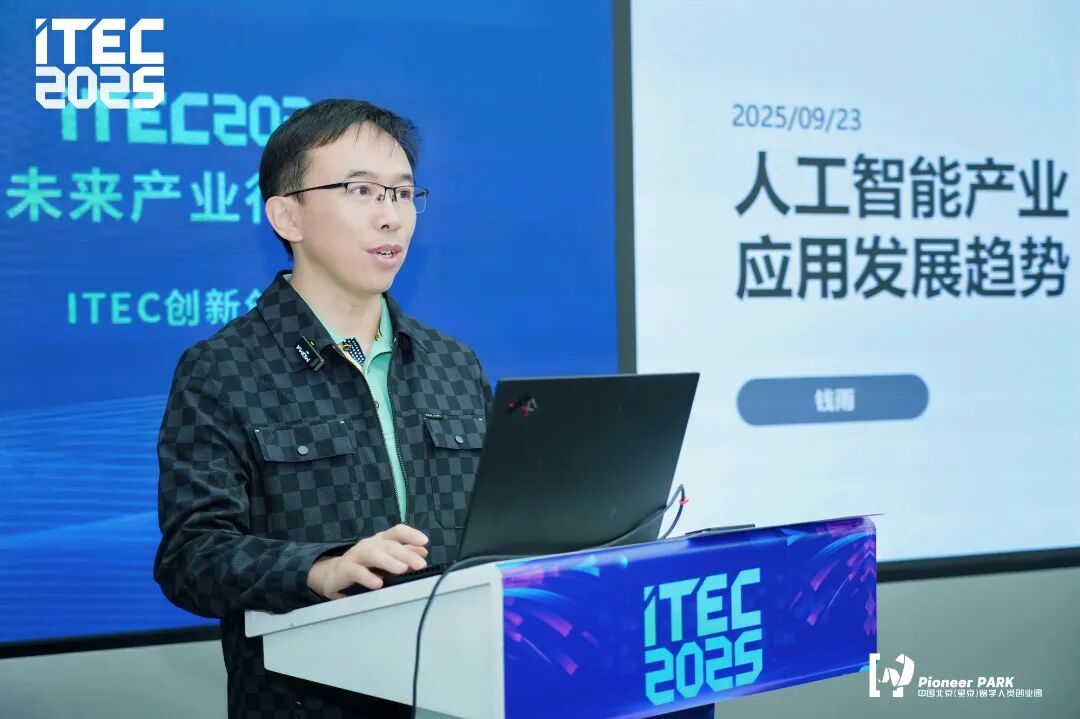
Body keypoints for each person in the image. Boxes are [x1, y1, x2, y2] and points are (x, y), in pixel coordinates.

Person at [154, 99, 492, 718]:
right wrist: (319, 569)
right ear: (287, 215)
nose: (391, 217)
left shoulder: (453, 363)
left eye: (402, 194)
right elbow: (190, 558)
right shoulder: (222, 370)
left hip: (464, 693)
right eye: (361, 191)